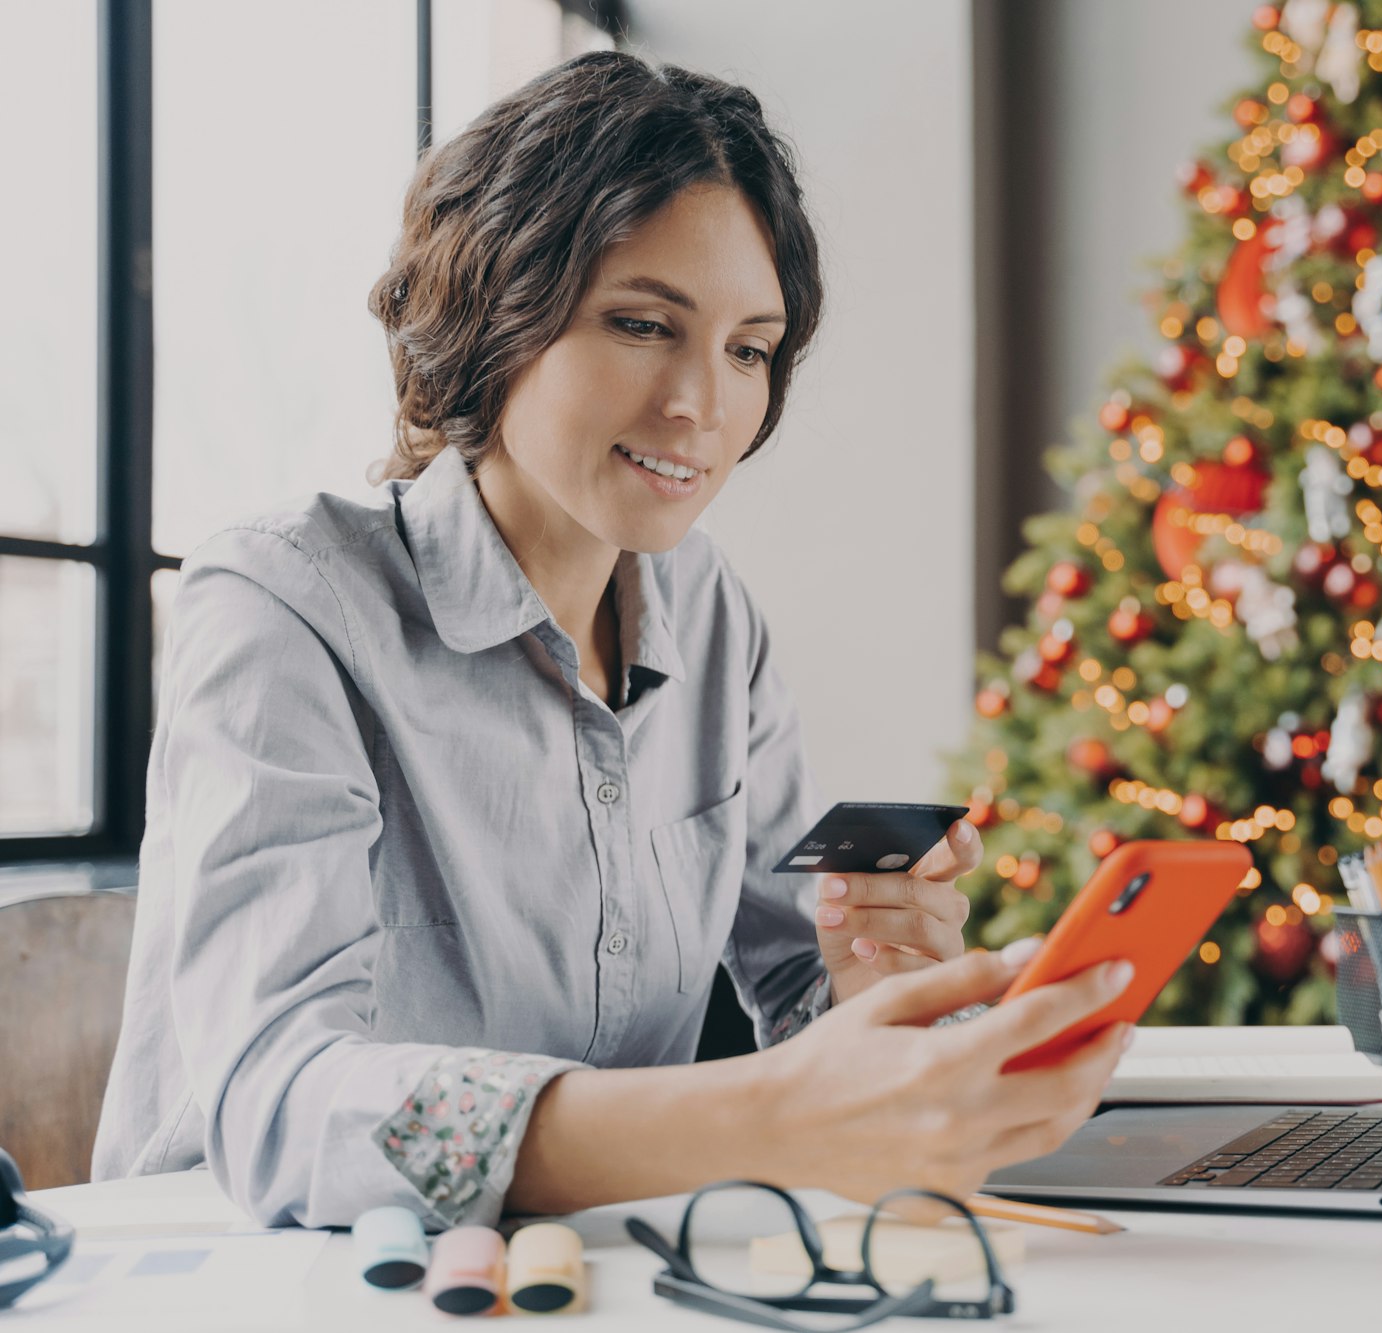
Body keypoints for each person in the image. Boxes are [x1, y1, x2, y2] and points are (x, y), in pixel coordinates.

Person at [92, 52, 1132, 1230]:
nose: (702, 402)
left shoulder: (709, 614)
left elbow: (797, 991)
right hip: (250, 1278)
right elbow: (281, 1101)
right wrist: (762, 1114)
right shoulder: (284, 602)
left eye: (749, 349)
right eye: (642, 324)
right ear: (497, 309)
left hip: (590, 1274)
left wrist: (865, 990)